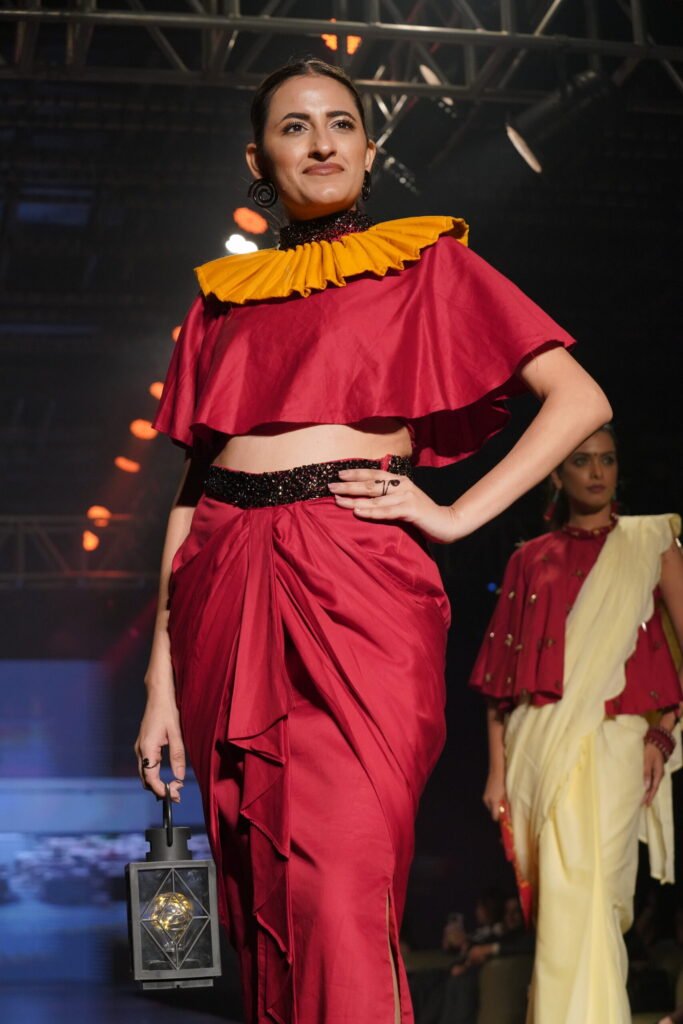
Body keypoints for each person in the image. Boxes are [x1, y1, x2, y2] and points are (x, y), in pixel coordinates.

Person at [134, 57, 611, 1024]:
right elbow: (190, 495)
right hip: (225, 581)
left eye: (342, 123)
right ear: (258, 159)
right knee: (257, 888)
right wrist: (159, 683)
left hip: (354, 578)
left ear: (367, 146)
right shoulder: (222, 299)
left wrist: (454, 514)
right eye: (295, 126)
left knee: (339, 890)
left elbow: (578, 399)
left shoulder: (422, 262)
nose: (321, 143)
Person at [471, 425, 683, 1024]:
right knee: (563, 900)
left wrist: (664, 730)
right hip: (540, 743)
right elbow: (499, 681)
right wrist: (496, 772)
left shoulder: (652, 542)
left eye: (607, 460)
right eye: (583, 461)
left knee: (600, 892)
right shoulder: (528, 559)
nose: (597, 472)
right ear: (557, 475)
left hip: (620, 741)